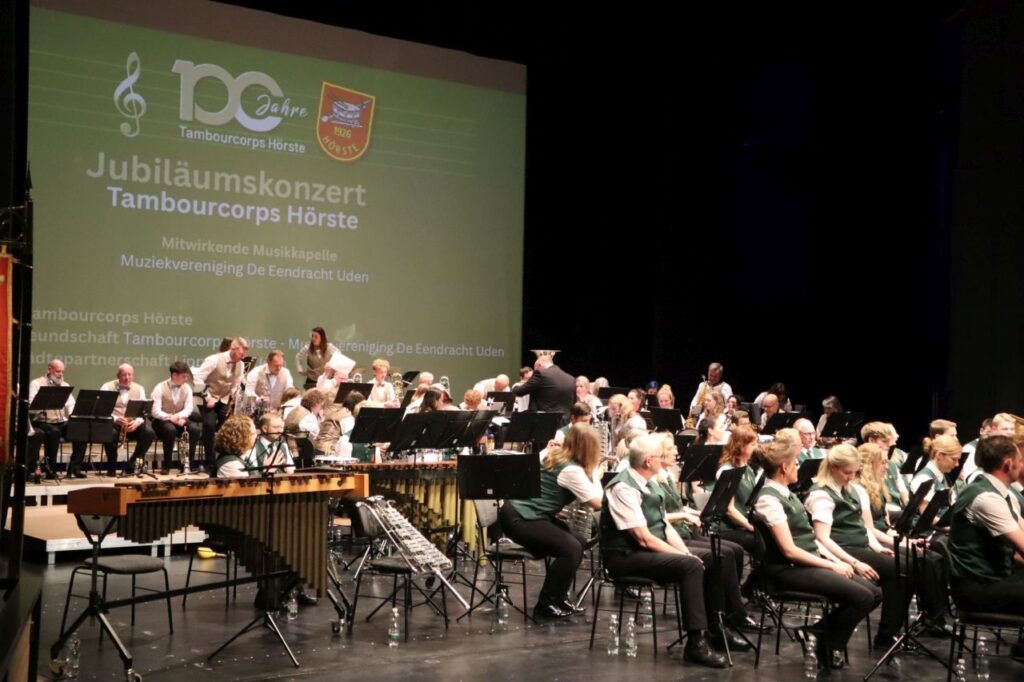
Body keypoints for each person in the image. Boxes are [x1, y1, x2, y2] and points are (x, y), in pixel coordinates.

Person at [599, 433, 730, 668]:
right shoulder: (623, 488)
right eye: (660, 456)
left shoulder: (649, 482)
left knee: (713, 557)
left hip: (645, 550)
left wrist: (685, 552)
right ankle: (696, 643)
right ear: (648, 461)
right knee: (690, 566)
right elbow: (643, 538)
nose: (665, 459)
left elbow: (663, 525)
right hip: (624, 556)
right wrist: (684, 557)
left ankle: (716, 629)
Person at [751, 439, 882, 669]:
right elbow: (790, 551)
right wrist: (831, 566)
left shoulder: (787, 494)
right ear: (784, 467)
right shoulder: (768, 499)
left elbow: (810, 539)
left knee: (875, 593)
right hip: (787, 570)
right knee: (863, 597)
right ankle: (828, 645)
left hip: (807, 563)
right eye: (795, 463)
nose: (798, 467)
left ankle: (817, 632)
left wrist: (841, 561)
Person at [804, 444, 905, 649]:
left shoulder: (848, 490)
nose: (851, 477)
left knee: (904, 566)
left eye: (854, 473)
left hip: (857, 545)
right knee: (898, 570)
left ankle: (822, 631)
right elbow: (823, 538)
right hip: (841, 549)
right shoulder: (822, 495)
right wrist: (854, 563)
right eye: (847, 472)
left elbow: (863, 526)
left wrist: (877, 547)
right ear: (833, 468)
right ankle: (883, 634)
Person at [499, 425, 603, 618]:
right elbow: (597, 503)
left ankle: (559, 597)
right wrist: (596, 474)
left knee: (579, 541)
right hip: (520, 518)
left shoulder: (556, 455)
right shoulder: (571, 470)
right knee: (571, 549)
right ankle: (546, 603)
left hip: (527, 514)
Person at [948, 435, 1024, 661]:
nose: (1021, 466)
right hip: (977, 588)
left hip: (994, 578)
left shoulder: (1003, 493)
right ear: (1008, 464)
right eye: (1020, 461)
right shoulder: (986, 497)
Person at [28, 358, 87, 478]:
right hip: (41, 422)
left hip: (60, 421)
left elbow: (71, 405)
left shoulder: (65, 385)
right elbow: (31, 406)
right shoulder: (36, 383)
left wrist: (73, 415)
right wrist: (43, 404)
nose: (61, 374)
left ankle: (74, 468)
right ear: (49, 370)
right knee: (54, 432)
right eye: (58, 371)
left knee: (81, 429)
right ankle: (51, 470)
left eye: (62, 372)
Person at [194, 337, 248, 468]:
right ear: (233, 349)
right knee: (209, 425)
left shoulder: (240, 365)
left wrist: (234, 396)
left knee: (229, 426)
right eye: (240, 354)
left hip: (224, 399)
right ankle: (210, 462)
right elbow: (197, 379)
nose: (242, 358)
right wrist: (208, 397)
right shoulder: (214, 360)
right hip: (208, 398)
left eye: (244, 355)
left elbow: (235, 384)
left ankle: (224, 459)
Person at [98, 364, 156, 475]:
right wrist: (115, 419)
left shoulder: (139, 388)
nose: (127, 378)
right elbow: (102, 410)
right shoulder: (107, 387)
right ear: (118, 375)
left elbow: (143, 411)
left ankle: (131, 464)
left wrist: (136, 422)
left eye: (130, 375)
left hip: (131, 424)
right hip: (113, 424)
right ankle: (111, 467)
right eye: (124, 375)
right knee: (110, 434)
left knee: (149, 433)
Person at [713, 424, 760, 553]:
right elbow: (730, 510)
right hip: (728, 529)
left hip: (743, 524)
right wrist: (751, 527)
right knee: (761, 541)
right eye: (752, 444)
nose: (756, 447)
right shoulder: (727, 471)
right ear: (741, 446)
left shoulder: (748, 469)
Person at [150, 361, 201, 472]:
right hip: (161, 421)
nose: (186, 379)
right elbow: (155, 411)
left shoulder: (187, 388)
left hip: (179, 419)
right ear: (174, 375)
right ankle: (166, 465)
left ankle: (188, 464)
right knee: (170, 430)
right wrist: (170, 417)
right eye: (184, 376)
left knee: (194, 430)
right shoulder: (159, 388)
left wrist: (177, 417)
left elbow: (188, 409)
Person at [908, 433, 961, 529]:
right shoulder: (924, 478)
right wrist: (954, 529)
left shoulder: (944, 476)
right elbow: (927, 517)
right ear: (939, 455)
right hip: (924, 532)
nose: (957, 464)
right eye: (954, 459)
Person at [510, 354, 575, 418]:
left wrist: (516, 385)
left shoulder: (540, 374)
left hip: (543, 420)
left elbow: (519, 391)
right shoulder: (571, 378)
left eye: (535, 369)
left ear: (539, 365)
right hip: (565, 421)